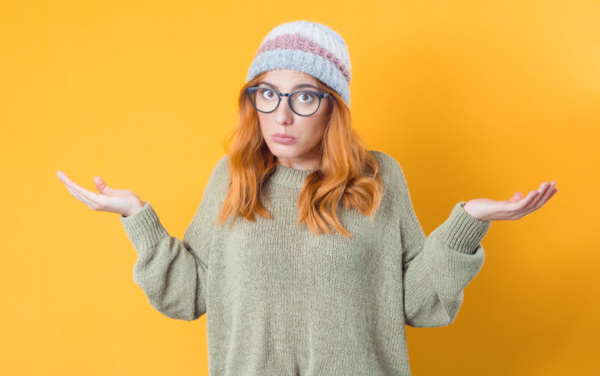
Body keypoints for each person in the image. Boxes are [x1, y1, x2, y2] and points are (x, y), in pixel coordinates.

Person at [56, 20, 558, 376]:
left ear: (332, 107)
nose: (282, 115)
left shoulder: (379, 177)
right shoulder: (233, 178)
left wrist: (466, 221)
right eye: (267, 93)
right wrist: (137, 217)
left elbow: (420, 304)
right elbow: (190, 295)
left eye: (304, 96)